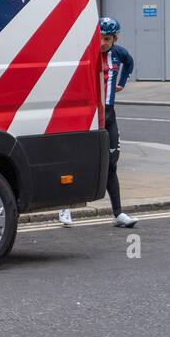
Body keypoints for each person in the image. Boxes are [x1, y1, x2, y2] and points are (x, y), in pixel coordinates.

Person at [59, 17, 137, 228]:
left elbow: (129, 63)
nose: (102, 42)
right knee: (78, 163)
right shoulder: (86, 53)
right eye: (99, 38)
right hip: (88, 116)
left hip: (109, 116)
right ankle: (65, 209)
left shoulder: (119, 53)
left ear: (115, 39)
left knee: (111, 165)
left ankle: (118, 213)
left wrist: (122, 83)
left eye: (107, 39)